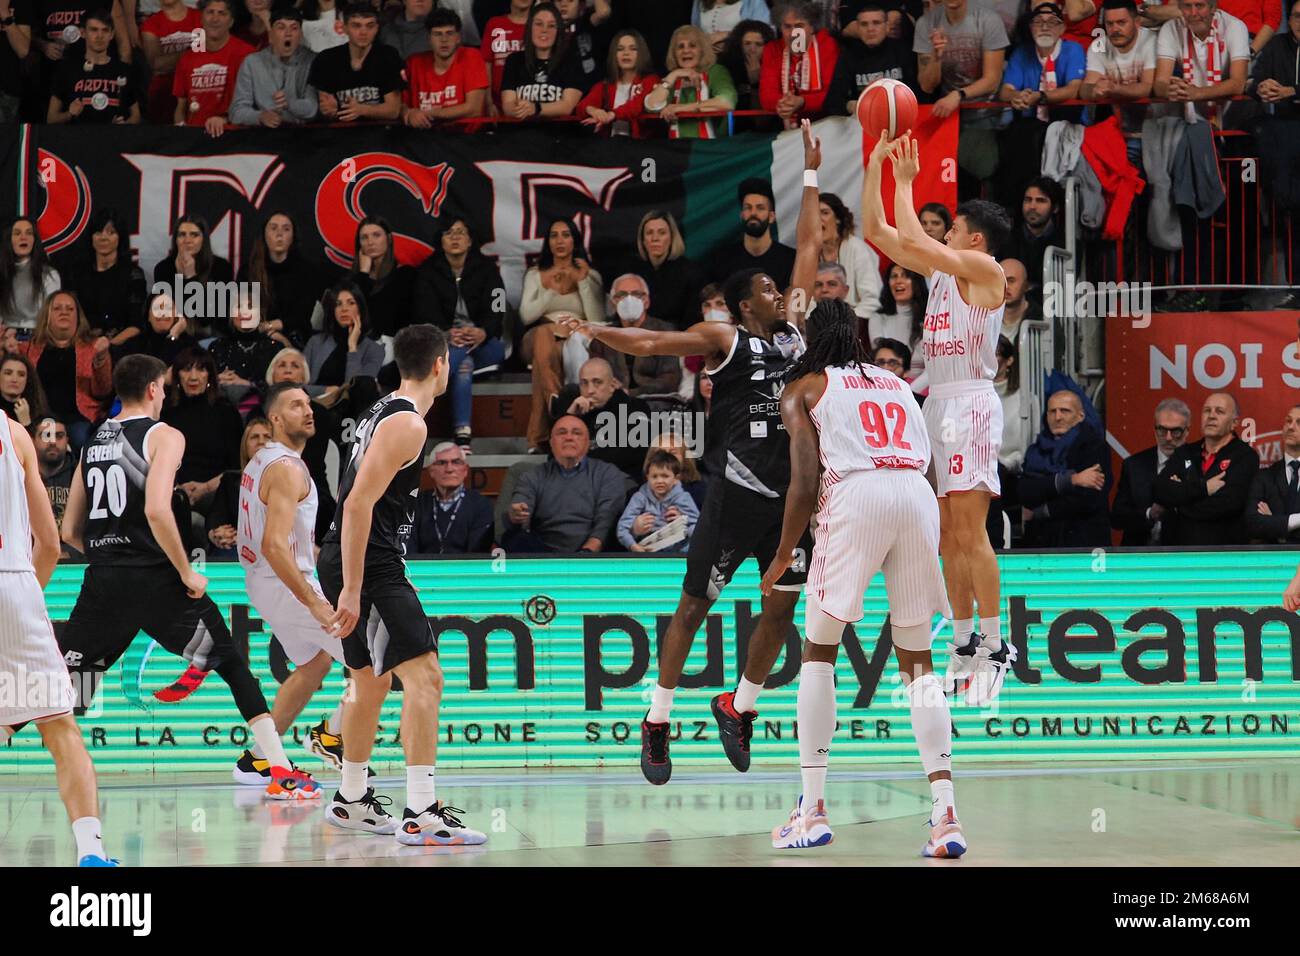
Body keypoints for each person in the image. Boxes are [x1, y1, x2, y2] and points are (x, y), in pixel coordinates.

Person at [563, 119, 824, 784]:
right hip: (736, 492)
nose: (776, 289)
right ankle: (656, 722)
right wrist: (594, 327)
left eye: (774, 286)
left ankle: (738, 706)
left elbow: (810, 253)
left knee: (782, 606)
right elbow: (651, 345)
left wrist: (813, 174)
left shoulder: (793, 336)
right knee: (692, 607)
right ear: (742, 304)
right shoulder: (727, 337)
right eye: (763, 288)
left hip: (790, 501)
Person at [59, 354, 322, 800]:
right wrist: (185, 570)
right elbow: (158, 509)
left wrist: (111, 556)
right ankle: (280, 771)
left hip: (103, 579)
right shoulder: (165, 435)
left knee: (64, 689)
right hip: (159, 581)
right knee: (233, 665)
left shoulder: (95, 440)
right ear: (154, 389)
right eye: (164, 385)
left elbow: (69, 530)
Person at [758, 295, 961, 855]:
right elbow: (931, 458)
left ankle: (813, 808)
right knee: (917, 661)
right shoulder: (896, 383)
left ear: (814, 338)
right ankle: (945, 817)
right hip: (917, 497)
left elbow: (802, 484)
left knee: (819, 650)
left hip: (857, 495)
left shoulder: (805, 388)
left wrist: (781, 556)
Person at [317, 324, 487, 844]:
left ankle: (350, 800)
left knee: (369, 682)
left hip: (350, 558)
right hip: (369, 564)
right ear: (440, 365)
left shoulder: (380, 407)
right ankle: (422, 812)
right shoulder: (408, 424)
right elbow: (357, 504)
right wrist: (351, 587)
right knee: (427, 679)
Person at [864, 132, 1017, 706]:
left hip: (972, 402)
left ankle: (998, 644)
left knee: (970, 531)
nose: (942, 234)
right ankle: (962, 641)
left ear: (974, 239)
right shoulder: (942, 274)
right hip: (939, 403)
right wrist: (876, 169)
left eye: (950, 227)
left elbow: (915, 239)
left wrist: (905, 181)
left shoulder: (985, 269)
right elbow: (881, 234)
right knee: (947, 535)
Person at [0, 411, 116, 865]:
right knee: (60, 729)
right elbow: (50, 545)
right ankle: (92, 853)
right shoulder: (14, 433)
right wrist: (21, 599)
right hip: (15, 585)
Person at [233, 382, 354, 779]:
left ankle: (258, 759)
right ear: (275, 418)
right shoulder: (286, 468)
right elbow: (274, 545)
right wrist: (314, 601)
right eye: (295, 404)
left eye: (308, 403)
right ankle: (331, 734)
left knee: (314, 664)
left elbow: (283, 538)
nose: (308, 410)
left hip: (264, 583)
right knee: (372, 663)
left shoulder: (260, 460)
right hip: (287, 586)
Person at [414, 219, 506, 445]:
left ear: (470, 240)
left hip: (484, 346)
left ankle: (419, 399)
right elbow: (421, 312)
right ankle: (462, 434)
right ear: (441, 240)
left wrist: (483, 332)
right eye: (449, 232)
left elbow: (499, 306)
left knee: (462, 356)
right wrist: (445, 333)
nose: (455, 237)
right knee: (463, 366)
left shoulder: (487, 269)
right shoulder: (427, 271)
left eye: (460, 233)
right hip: (445, 345)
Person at [518, 217, 607, 451]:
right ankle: (561, 403)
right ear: (547, 242)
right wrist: (550, 291)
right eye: (554, 235)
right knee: (543, 335)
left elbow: (598, 317)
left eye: (566, 235)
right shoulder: (536, 273)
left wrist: (583, 282)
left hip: (577, 336)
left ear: (575, 240)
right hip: (539, 334)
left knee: (544, 363)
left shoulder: (590, 274)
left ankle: (539, 436)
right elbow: (526, 316)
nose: (560, 241)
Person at [913, 0, 1009, 188]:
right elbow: (927, 85)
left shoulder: (988, 20)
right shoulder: (926, 24)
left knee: (978, 164)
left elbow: (992, 80)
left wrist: (958, 95)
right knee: (938, 172)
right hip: (947, 114)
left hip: (985, 110)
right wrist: (936, 56)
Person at [504, 414, 629, 551]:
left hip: (593, 552)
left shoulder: (607, 473)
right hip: (543, 553)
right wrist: (515, 516)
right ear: (551, 443)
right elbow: (520, 505)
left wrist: (588, 551)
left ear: (587, 443)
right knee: (514, 539)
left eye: (576, 433)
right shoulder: (533, 476)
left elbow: (606, 519)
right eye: (561, 433)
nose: (569, 438)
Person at [1152, 391, 1260, 545]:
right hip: (1178, 553)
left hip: (1223, 554)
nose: (1211, 416)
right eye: (1207, 410)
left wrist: (1178, 505)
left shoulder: (1245, 456)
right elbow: (1160, 490)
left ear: (1234, 423)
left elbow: (1228, 504)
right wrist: (1204, 489)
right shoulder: (1184, 452)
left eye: (1219, 411)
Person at [19, 291, 112, 452]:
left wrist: (101, 360)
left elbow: (103, 391)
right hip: (39, 417)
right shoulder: (28, 348)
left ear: (78, 317)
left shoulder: (93, 347)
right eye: (57, 308)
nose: (64, 312)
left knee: (81, 439)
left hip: (79, 418)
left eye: (70, 309)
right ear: (47, 316)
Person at [1018, 388, 1111, 547]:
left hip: (1083, 542)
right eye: (1052, 411)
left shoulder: (1094, 447)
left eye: (1065, 411)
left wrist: (1042, 510)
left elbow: (1088, 499)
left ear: (1080, 416)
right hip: (1039, 542)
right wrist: (1071, 480)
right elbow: (1025, 491)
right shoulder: (1036, 450)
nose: (1058, 417)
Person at [161, 347, 245, 512]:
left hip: (218, 491)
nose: (193, 376)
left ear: (210, 376)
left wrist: (206, 488)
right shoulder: (165, 412)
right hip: (172, 492)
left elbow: (237, 465)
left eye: (201, 369)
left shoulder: (226, 412)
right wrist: (176, 488)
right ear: (177, 375)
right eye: (186, 369)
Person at [550, 355, 652, 480]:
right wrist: (571, 418)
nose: (590, 390)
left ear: (613, 384)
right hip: (578, 484)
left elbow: (623, 459)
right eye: (584, 383)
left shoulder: (635, 408)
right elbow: (553, 459)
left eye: (597, 382)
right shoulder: (576, 411)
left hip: (619, 485)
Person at [1153, 0, 1250, 126]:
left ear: (1213, 7)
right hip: (1190, 113)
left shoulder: (1235, 26)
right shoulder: (1170, 28)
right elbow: (1160, 83)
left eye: (1199, 5)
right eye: (1187, 6)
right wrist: (1171, 90)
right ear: (1180, 8)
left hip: (1233, 113)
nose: (1193, 13)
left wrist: (1198, 93)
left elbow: (1238, 83)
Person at [237, 212, 326, 349]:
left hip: (295, 339)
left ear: (293, 236)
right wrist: (270, 334)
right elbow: (242, 314)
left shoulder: (307, 271)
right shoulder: (248, 271)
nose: (279, 234)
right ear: (264, 235)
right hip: (255, 336)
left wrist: (271, 327)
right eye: (273, 228)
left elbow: (302, 316)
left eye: (286, 229)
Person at [65, 210, 146, 357]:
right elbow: (69, 315)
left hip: (119, 348)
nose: (104, 237)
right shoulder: (77, 273)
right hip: (80, 345)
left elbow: (136, 325)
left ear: (120, 238)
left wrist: (108, 345)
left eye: (111, 232)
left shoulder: (133, 274)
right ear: (91, 237)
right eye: (98, 232)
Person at [1111, 397, 1190, 546]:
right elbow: (1117, 517)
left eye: (1176, 432)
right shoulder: (1134, 466)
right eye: (1162, 430)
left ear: (1187, 431)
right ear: (1154, 430)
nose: (1168, 438)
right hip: (1138, 555)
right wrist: (1149, 514)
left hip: (1181, 557)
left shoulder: (1196, 465)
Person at [307, 2, 405, 123]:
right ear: (345, 28)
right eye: (356, 26)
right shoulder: (326, 59)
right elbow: (326, 109)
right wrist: (329, 110)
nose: (363, 32)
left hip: (380, 134)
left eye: (370, 26)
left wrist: (361, 110)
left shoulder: (388, 56)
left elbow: (393, 110)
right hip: (339, 134)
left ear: (377, 28)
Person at [173, 0, 254, 135]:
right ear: (202, 18)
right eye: (210, 12)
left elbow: (254, 103)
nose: (215, 19)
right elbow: (180, 107)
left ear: (231, 21)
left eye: (222, 13)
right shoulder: (187, 58)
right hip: (194, 138)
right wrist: (181, 131)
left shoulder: (247, 55)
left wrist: (225, 119)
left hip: (234, 136)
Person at [643, 23, 738, 138]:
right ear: (674, 53)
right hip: (676, 149)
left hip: (710, 149)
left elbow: (726, 102)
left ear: (702, 50)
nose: (686, 50)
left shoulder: (716, 72)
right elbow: (651, 106)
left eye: (692, 46)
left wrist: (682, 109)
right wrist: (673, 75)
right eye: (680, 47)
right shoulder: (674, 77)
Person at [229, 5, 318, 126]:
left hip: (301, 136)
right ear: (270, 35)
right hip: (264, 137)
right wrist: (260, 116)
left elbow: (312, 109)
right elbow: (236, 112)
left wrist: (290, 103)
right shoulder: (252, 63)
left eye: (294, 28)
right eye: (281, 28)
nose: (288, 34)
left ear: (301, 35)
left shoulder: (312, 61)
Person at [824, 0, 917, 116]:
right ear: (857, 27)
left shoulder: (903, 52)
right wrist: (850, 105)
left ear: (887, 26)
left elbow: (918, 94)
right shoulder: (848, 57)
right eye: (864, 24)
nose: (870, 29)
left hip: (900, 116)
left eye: (876, 23)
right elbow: (832, 102)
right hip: (864, 121)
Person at [47, 8, 140, 123]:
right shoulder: (66, 70)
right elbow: (51, 119)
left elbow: (136, 116)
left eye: (105, 30)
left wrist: (124, 125)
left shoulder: (124, 70)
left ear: (112, 34)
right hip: (76, 138)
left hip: (114, 139)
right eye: (94, 30)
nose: (99, 36)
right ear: (83, 33)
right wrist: (69, 114)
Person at [1081, 0, 1157, 138]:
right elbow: (1087, 87)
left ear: (1137, 22)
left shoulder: (1151, 41)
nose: (1115, 29)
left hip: (1154, 131)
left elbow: (1148, 86)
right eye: (1109, 24)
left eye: (1121, 22)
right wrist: (1095, 90)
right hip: (1116, 132)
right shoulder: (1099, 45)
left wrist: (1114, 89)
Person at [151, 215, 235, 338]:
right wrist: (180, 277)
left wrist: (190, 276)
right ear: (175, 239)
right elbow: (167, 314)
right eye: (182, 235)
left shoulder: (221, 268)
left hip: (212, 335)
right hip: (175, 334)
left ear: (204, 239)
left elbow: (207, 317)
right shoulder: (163, 268)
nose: (187, 240)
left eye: (194, 235)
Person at [401, 7, 489, 124]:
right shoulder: (414, 63)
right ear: (429, 39)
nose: (444, 39)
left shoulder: (471, 57)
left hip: (465, 137)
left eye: (449, 33)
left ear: (458, 37)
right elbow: (399, 105)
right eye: (437, 34)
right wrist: (408, 113)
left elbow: (474, 109)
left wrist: (428, 113)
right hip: (424, 136)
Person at [759, 0, 840, 126]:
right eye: (787, 26)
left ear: (812, 28)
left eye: (799, 26)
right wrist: (786, 104)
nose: (793, 33)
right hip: (782, 124)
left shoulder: (826, 45)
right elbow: (766, 96)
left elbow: (833, 94)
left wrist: (802, 101)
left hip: (824, 123)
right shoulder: (772, 49)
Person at [499, 2, 584, 120]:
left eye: (551, 26)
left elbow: (567, 105)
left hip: (558, 133)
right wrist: (519, 109)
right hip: (521, 131)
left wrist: (536, 108)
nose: (544, 30)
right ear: (530, 28)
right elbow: (508, 104)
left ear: (558, 31)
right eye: (539, 24)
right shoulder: (514, 61)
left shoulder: (571, 61)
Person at [621, 211, 704, 331]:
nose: (655, 238)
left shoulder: (690, 272)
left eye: (662, 233)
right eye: (649, 233)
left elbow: (693, 320)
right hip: (637, 337)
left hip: (676, 339)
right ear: (643, 240)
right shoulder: (631, 271)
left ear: (671, 237)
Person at [605, 274, 682, 397]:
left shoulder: (665, 331)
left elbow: (670, 379)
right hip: (612, 401)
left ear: (647, 302)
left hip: (654, 402)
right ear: (613, 303)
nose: (629, 300)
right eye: (622, 295)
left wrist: (631, 393)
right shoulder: (603, 336)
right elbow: (596, 377)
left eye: (636, 294)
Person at [206, 415, 271, 560]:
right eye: (254, 437)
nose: (261, 442)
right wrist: (217, 533)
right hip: (236, 549)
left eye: (267, 436)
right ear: (245, 446)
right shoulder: (230, 480)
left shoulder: (289, 480)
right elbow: (216, 515)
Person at [713, 177, 797, 289]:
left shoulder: (791, 260)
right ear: (742, 215)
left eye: (760, 208)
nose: (753, 213)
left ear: (772, 217)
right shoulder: (721, 260)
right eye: (748, 208)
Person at [411, 441, 494, 554]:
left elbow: (478, 553)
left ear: (465, 470)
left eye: (456, 462)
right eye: (441, 463)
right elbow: (410, 549)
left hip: (466, 569)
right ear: (431, 471)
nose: (449, 469)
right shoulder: (417, 503)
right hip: (424, 569)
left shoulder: (481, 505)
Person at [304, 281, 385, 393]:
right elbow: (298, 386)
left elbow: (358, 391)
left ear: (360, 309)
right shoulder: (315, 342)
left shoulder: (374, 350)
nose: (344, 309)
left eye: (351, 303)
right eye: (338, 304)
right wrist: (325, 390)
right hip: (313, 405)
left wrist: (352, 347)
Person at [577, 27, 659, 136]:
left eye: (633, 48)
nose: (626, 53)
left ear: (641, 53)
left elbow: (637, 105)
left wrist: (612, 115)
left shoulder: (651, 81)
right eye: (620, 49)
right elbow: (582, 106)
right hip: (610, 147)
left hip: (640, 148)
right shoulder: (605, 85)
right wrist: (594, 111)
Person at [618, 448, 700, 553]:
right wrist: (633, 544)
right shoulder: (639, 497)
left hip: (679, 553)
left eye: (665, 476)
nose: (659, 481)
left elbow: (700, 529)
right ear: (647, 477)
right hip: (647, 552)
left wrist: (683, 524)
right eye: (654, 476)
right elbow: (622, 529)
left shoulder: (683, 497)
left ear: (676, 478)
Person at [818, 192, 882, 320]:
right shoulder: (808, 254)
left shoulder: (858, 249)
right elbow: (803, 302)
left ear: (838, 219)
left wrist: (846, 322)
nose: (818, 219)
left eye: (824, 213)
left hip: (854, 324)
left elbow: (872, 300)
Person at [1244, 405, 1300, 543]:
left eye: (1299, 422)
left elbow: (1265, 527)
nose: (1291, 427)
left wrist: (1275, 526)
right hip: (1273, 561)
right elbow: (1253, 524)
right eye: (1288, 421)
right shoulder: (1263, 477)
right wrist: (1296, 521)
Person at [141, 0, 203, 122]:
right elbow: (156, 64)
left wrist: (170, 60)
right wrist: (192, 53)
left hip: (197, 87)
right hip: (165, 92)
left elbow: (207, 56)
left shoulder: (200, 17)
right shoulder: (151, 24)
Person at [1, 216, 61, 335]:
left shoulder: (49, 275)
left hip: (37, 338)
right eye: (17, 233)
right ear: (9, 240)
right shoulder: (2, 273)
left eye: (29, 233)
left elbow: (51, 317)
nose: (23, 237)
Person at [869, 264, 926, 378]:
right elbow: (881, 359)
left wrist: (910, 390)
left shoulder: (929, 318)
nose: (898, 281)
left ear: (916, 282)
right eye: (894, 276)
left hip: (922, 386)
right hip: (888, 381)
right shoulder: (877, 318)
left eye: (905, 276)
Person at [1007, 177, 1063, 287]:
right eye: (1028, 200)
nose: (1032, 206)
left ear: (1055, 208)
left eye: (1040, 200)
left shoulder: (1064, 244)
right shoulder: (1006, 240)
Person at [480, 0, 531, 109]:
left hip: (531, 103)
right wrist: (489, 103)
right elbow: (486, 65)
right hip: (498, 104)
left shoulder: (541, 27)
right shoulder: (494, 24)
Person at [994, 334, 1032, 474]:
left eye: (995, 354)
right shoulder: (974, 393)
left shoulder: (1023, 396)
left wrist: (1005, 465)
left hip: (1009, 470)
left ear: (1009, 360)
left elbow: (1024, 445)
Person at [718, 18, 774, 112]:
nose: (752, 49)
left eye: (758, 44)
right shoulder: (726, 65)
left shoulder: (775, 66)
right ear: (739, 45)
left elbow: (763, 118)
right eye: (747, 43)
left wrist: (756, 82)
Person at [556, 0, 613, 90]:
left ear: (580, 4)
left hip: (588, 89)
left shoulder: (585, 22)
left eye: (570, 0)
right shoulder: (547, 29)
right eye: (558, 0)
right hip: (558, 89)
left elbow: (603, 12)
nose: (563, 4)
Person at [0, 350, 50, 429]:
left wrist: (26, 423)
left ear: (28, 380)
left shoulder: (39, 412)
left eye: (21, 375)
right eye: (8, 373)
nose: (14, 379)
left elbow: (38, 441)